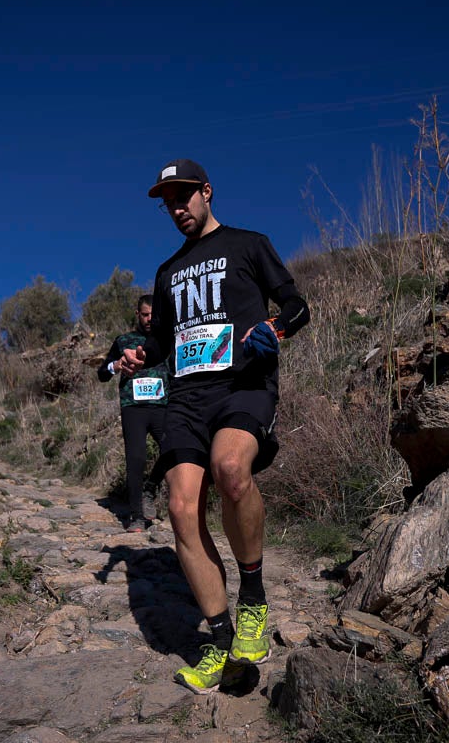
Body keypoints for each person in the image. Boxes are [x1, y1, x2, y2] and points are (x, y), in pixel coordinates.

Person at [118, 158, 310, 694]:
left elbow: (297, 304)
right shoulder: (166, 271)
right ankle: (223, 642)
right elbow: (162, 343)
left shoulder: (249, 244)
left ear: (206, 192)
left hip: (242, 385)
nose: (177, 208)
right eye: (168, 201)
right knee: (180, 507)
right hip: (186, 397)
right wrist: (141, 355)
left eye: (185, 197)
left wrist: (275, 327)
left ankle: (253, 601)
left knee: (231, 469)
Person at [98, 294, 170, 532]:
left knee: (174, 449)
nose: (149, 319)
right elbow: (102, 373)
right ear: (138, 314)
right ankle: (137, 516)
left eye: (153, 314)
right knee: (135, 460)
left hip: (162, 405)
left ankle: (151, 486)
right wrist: (115, 365)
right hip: (133, 407)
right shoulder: (124, 340)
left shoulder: (166, 339)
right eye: (145, 314)